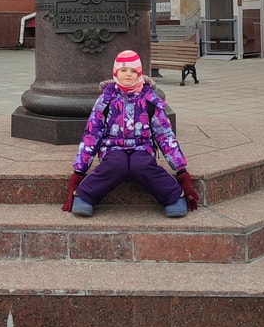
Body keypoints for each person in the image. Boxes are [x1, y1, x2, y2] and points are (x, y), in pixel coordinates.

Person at [62, 49, 199, 216]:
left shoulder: (150, 100)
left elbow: (165, 136)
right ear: (115, 73)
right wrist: (79, 171)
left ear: (139, 74)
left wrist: (181, 170)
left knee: (141, 165)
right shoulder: (105, 100)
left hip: (142, 148)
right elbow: (92, 134)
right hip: (112, 148)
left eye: (133, 71)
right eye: (123, 70)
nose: (128, 74)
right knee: (116, 165)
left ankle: (174, 195)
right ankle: (85, 195)